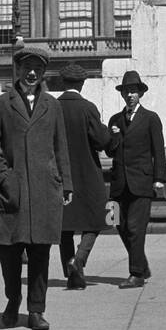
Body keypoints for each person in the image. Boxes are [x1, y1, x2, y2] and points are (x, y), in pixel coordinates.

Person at [0, 42, 72, 330]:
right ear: (18, 70)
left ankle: (36, 309)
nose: (32, 73)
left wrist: (65, 183)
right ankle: (12, 299)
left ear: (44, 72)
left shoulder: (53, 106)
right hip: (12, 191)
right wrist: (6, 179)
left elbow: (61, 148)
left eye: (38, 69)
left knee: (40, 252)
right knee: (8, 251)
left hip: (45, 190)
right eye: (27, 68)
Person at [106, 70, 166, 288]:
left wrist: (159, 178)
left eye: (134, 91)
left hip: (141, 182)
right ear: (122, 95)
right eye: (127, 91)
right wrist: (113, 136)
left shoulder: (151, 118)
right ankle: (142, 264)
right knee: (115, 222)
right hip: (119, 184)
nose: (130, 95)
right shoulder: (115, 119)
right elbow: (110, 152)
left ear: (140, 94)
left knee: (135, 228)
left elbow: (158, 150)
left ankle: (136, 274)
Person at [57, 64, 115, 289]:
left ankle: (73, 276)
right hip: (87, 174)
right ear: (82, 84)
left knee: (64, 227)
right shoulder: (88, 108)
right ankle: (78, 259)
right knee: (97, 221)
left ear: (63, 83)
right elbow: (101, 141)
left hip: (61, 175)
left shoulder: (52, 107)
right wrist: (110, 132)